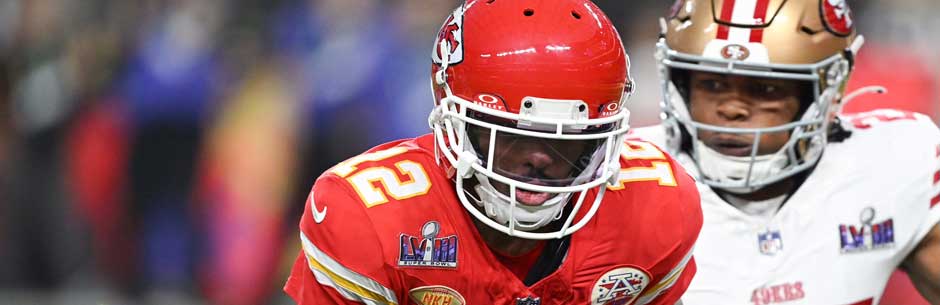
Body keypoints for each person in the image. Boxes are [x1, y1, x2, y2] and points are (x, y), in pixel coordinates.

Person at [283, 1, 703, 304]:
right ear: (455, 124)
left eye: (568, 138)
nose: (539, 158)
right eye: (514, 135)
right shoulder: (369, 215)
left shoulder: (654, 207)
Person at [629, 0, 940, 303]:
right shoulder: (625, 179)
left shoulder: (891, 161)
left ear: (828, 88)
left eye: (765, 88)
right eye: (711, 84)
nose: (732, 108)